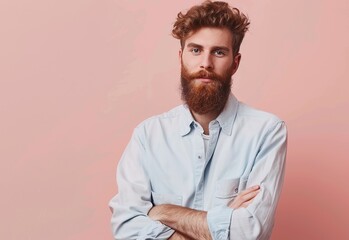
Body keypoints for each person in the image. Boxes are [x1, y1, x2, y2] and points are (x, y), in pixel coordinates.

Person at [109, 1, 287, 239]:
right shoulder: (148, 136)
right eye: (196, 50)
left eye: (219, 52)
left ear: (235, 63)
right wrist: (224, 219)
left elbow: (248, 232)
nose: (206, 63)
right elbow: (125, 227)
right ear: (181, 57)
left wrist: (163, 212)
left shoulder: (267, 132)